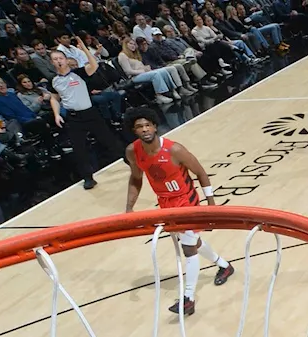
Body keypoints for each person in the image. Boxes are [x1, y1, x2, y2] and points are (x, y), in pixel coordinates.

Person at [123, 106, 234, 316]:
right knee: (192, 242)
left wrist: (211, 204)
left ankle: (188, 299)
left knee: (188, 250)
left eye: (148, 125)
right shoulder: (132, 151)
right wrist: (129, 208)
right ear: (134, 130)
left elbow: (200, 172)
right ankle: (224, 265)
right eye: (139, 127)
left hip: (186, 201)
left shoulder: (175, 150)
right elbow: (136, 178)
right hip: (165, 203)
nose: (145, 129)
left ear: (155, 126)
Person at [48, 36, 124, 189]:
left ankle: (129, 159)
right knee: (79, 149)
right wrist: (56, 114)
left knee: (108, 139)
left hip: (90, 113)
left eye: (60, 58)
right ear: (52, 62)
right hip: (73, 117)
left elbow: (94, 65)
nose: (58, 61)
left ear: (66, 59)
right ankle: (88, 178)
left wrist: (83, 49)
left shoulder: (80, 73)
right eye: (55, 59)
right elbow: (54, 98)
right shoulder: (54, 80)